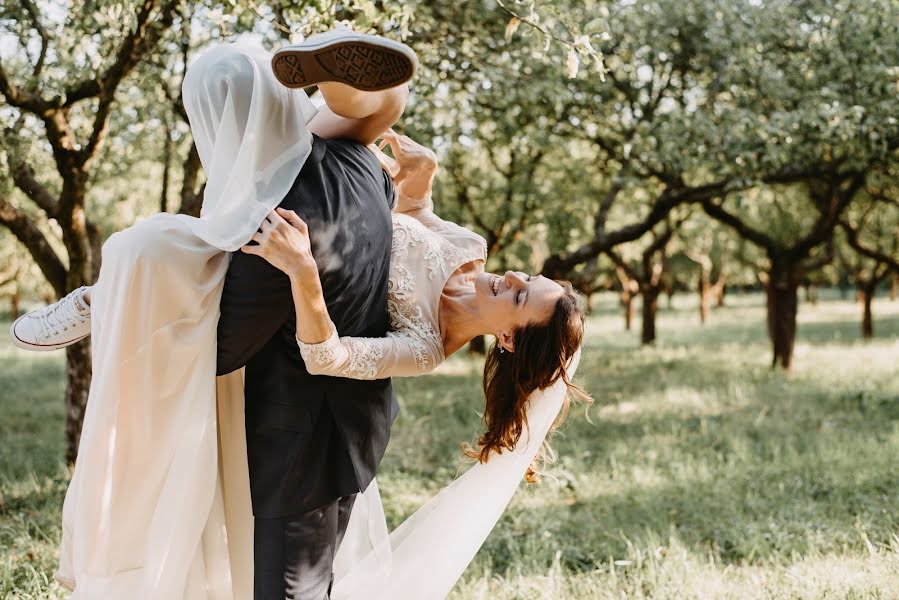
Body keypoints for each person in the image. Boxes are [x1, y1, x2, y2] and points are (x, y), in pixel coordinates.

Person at [11, 30, 587, 600]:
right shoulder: (471, 246)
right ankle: (331, 74)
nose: (510, 279)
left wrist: (302, 271)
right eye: (527, 278)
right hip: (355, 200)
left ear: (509, 340)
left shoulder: (426, 346)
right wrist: (422, 182)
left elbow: (329, 356)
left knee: (172, 252)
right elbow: (414, 219)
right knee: (392, 96)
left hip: (321, 328)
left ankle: (104, 303)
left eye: (518, 298)